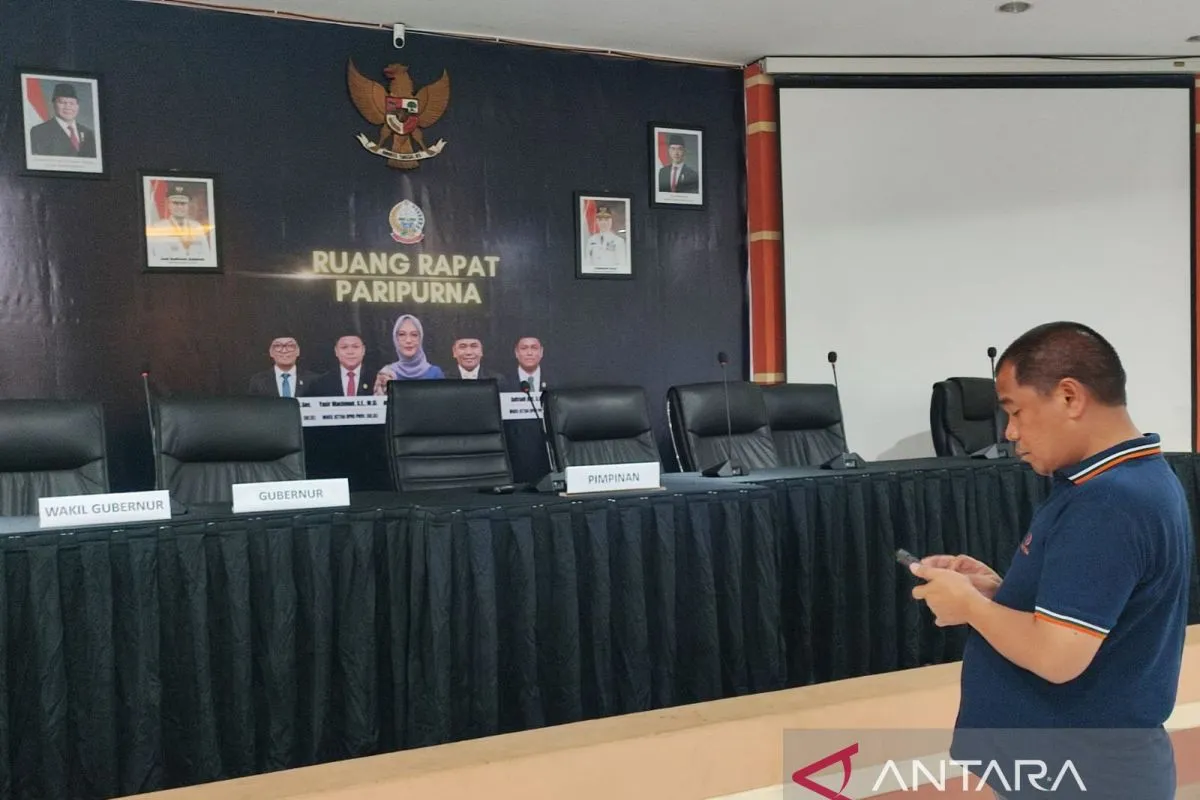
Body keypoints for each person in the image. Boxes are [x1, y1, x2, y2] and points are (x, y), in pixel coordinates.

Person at [910, 322, 1191, 799]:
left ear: (1069, 397)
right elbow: (1096, 613)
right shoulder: (1125, 481)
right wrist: (998, 593)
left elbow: (1056, 656)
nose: (1010, 432)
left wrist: (970, 606)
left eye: (1015, 411)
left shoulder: (1110, 501)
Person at [373, 314, 444, 394]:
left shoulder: (435, 373)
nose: (408, 340)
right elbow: (380, 401)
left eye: (414, 335)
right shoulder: (386, 373)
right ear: (396, 339)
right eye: (402, 334)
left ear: (420, 338)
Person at [29, 83, 97, 158]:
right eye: (62, 102)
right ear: (53, 104)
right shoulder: (39, 131)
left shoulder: (88, 133)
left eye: (72, 103)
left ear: (78, 106)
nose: (67, 107)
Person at [147, 185, 212, 262]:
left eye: (183, 203)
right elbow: (155, 258)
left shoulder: (197, 227)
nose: (179, 207)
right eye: (175, 203)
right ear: (169, 205)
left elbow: (206, 257)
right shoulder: (158, 228)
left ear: (188, 206)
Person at [248, 336, 316, 397]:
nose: (284, 351)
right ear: (271, 352)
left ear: (298, 351)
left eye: (290, 346)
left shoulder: (313, 380)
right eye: (278, 346)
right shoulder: (258, 381)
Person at [308, 335, 373, 397]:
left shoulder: (375, 379)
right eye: (344, 347)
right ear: (336, 351)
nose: (350, 352)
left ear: (363, 350)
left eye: (355, 347)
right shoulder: (321, 383)